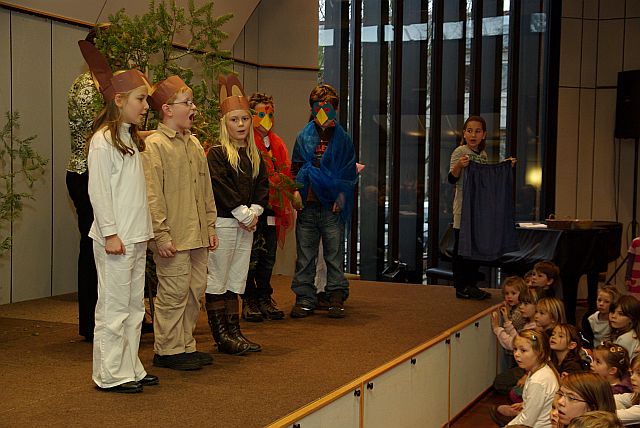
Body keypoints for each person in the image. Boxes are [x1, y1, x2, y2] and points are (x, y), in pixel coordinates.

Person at [79, 40, 157, 393]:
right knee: (113, 308)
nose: (145, 106)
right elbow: (98, 193)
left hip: (135, 236)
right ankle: (110, 373)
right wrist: (110, 233)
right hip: (116, 239)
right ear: (120, 100)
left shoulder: (130, 138)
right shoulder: (102, 141)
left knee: (133, 307)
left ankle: (130, 366)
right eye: (141, 99)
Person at [141, 75, 219, 371]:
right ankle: (168, 349)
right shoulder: (155, 146)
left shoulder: (194, 144)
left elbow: (206, 190)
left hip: (197, 234)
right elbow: (152, 196)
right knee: (173, 293)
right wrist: (160, 235)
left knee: (194, 291)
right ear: (167, 109)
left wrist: (210, 226)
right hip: (174, 235)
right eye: (187, 103)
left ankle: (186, 344)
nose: (193, 108)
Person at [204, 74, 269, 355]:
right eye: (234, 120)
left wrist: (255, 211)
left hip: (246, 226)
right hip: (225, 224)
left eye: (244, 119)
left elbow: (263, 186)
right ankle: (221, 335)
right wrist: (244, 214)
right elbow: (220, 186)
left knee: (236, 278)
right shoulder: (218, 153)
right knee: (218, 278)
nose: (240, 124)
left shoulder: (255, 155)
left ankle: (234, 331)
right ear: (225, 123)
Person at [289, 84, 356, 318]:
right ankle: (305, 297)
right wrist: (295, 191)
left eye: (328, 109)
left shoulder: (343, 139)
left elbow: (348, 173)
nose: (323, 114)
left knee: (334, 255)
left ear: (335, 109)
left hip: (331, 207)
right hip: (308, 205)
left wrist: (341, 197)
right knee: (305, 256)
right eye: (319, 109)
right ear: (312, 109)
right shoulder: (303, 137)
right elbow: (295, 168)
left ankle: (335, 295)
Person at [448, 115, 516, 300]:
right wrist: (459, 166)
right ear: (464, 133)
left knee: (475, 247)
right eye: (469, 131)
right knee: (461, 249)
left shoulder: (483, 155)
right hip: (463, 210)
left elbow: (488, 181)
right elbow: (451, 178)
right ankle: (461, 287)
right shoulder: (460, 151)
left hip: (478, 212)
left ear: (484, 135)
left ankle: (471, 285)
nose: (473, 135)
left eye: (477, 131)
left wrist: (505, 166)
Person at [241, 92, 295, 322]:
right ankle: (249, 299)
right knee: (251, 256)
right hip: (253, 209)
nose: (267, 119)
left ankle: (264, 296)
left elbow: (286, 171)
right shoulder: (246, 142)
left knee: (268, 256)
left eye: (270, 114)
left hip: (274, 209)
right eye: (261, 114)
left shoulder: (277, 143)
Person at [66, 28, 105, 342]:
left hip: (100, 172)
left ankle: (106, 316)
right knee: (93, 246)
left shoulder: (104, 83)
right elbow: (99, 131)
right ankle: (90, 322)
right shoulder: (87, 87)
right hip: (86, 174)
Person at [506, 329, 559, 428]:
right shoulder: (537, 371)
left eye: (523, 350)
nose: (516, 354)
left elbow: (526, 422)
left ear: (540, 353)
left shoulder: (538, 381)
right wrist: (524, 404)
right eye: (515, 349)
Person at [608, 295, 640, 360]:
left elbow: (617, 363)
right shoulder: (620, 332)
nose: (613, 316)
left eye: (621, 314)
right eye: (612, 312)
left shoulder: (625, 338)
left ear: (631, 318)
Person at [614, 354, 640, 424]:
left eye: (639, 374)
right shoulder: (636, 395)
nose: (632, 377)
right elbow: (614, 398)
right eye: (632, 373)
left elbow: (614, 417)